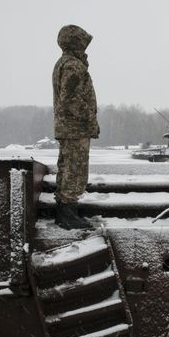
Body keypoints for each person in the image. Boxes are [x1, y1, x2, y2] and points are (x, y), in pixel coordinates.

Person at [52, 24, 99, 229]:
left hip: (69, 128)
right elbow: (69, 99)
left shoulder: (65, 63)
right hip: (75, 128)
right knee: (74, 169)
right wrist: (90, 119)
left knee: (68, 168)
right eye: (83, 43)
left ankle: (65, 211)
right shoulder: (72, 65)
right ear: (76, 43)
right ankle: (67, 214)